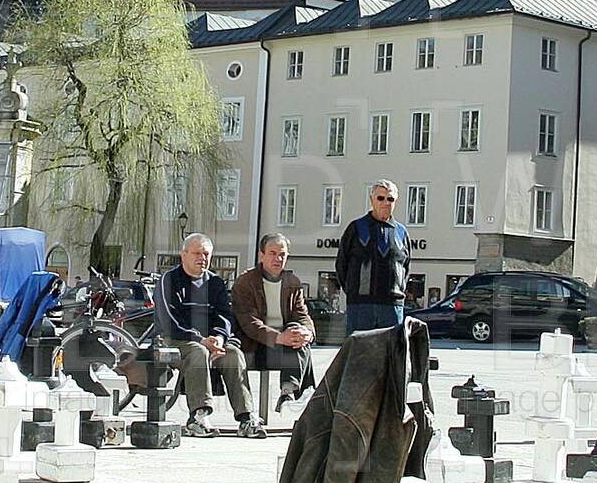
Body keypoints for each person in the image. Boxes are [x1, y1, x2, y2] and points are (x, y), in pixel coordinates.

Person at [153, 233, 261, 438]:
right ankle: (198, 416)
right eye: (196, 253)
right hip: (175, 340)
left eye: (206, 254)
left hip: (210, 342)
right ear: (183, 255)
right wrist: (200, 340)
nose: (202, 258)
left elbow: (224, 316)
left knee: (233, 354)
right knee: (198, 352)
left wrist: (219, 338)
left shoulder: (215, 282)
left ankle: (246, 417)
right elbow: (169, 321)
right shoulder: (169, 280)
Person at [232, 233, 317, 406]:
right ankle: (300, 394)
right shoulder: (245, 282)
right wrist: (279, 337)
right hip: (255, 346)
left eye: (282, 254)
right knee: (295, 340)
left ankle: (288, 392)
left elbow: (302, 315)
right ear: (261, 255)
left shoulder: (293, 282)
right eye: (272, 253)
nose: (278, 259)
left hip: (286, 346)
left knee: (297, 332)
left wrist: (308, 333)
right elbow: (249, 323)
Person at [334, 180, 410, 335]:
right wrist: (353, 291)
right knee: (359, 349)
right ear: (372, 200)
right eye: (380, 198)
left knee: (392, 349)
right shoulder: (356, 228)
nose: (385, 203)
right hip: (360, 306)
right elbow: (341, 264)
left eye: (390, 199)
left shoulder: (401, 233)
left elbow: (406, 267)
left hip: (392, 307)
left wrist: (398, 290)